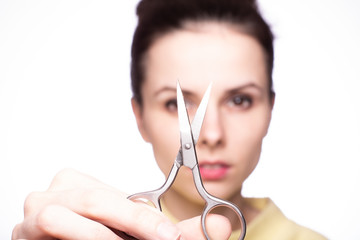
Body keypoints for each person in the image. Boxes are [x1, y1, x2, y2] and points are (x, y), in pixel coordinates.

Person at [12, 0, 327, 239]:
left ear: (269, 111)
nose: (211, 134)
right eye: (176, 104)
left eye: (239, 100)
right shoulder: (95, 232)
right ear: (140, 118)